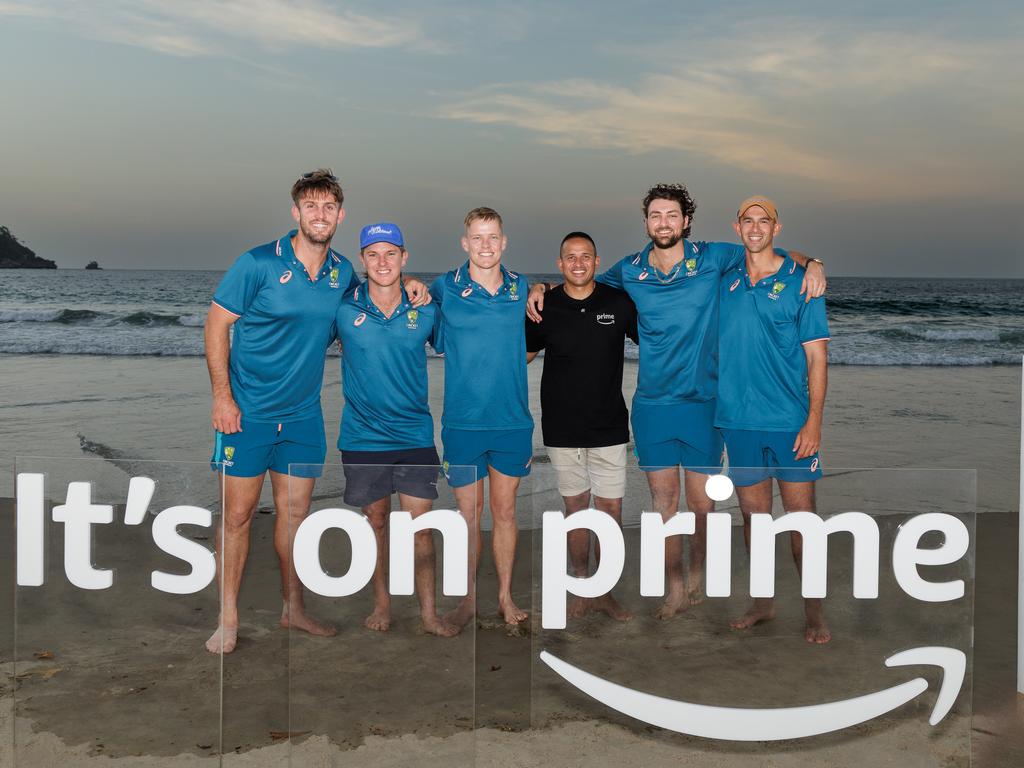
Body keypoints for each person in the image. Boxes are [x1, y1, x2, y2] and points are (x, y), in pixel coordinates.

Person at [528, 184, 825, 620]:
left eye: (671, 215)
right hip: (652, 406)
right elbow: (581, 281)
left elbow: (764, 249)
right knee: (663, 505)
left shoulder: (714, 258)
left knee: (702, 505)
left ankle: (699, 575)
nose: (663, 222)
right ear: (646, 222)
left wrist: (812, 262)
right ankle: (674, 587)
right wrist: (541, 287)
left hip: (704, 403)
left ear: (686, 221)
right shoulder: (629, 270)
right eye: (655, 215)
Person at [203, 170, 427, 653]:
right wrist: (223, 397)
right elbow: (216, 325)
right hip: (246, 414)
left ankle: (293, 609)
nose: (319, 214)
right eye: (311, 206)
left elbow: (375, 293)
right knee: (238, 517)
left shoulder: (342, 272)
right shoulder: (259, 263)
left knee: (294, 520)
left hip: (303, 419)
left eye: (329, 207)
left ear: (340, 216)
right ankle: (227, 619)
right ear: (296, 212)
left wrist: (413, 285)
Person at [716, 197, 831, 643]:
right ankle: (763, 602)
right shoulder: (724, 281)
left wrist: (814, 421)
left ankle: (814, 612)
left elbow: (817, 359)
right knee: (755, 519)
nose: (756, 227)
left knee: (803, 520)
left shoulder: (802, 282)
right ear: (738, 226)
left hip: (790, 423)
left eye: (764, 221)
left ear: (776, 228)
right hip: (739, 423)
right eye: (749, 220)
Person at [334, 222, 457, 638]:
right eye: (373, 254)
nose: (382, 262)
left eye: (391, 254)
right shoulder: (344, 308)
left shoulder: (424, 308)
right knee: (377, 523)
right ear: (363, 261)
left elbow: (461, 342)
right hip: (363, 436)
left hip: (414, 435)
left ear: (405, 259)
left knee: (422, 527)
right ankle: (382, 604)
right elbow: (300, 336)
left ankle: (428, 613)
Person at [525, 231, 636, 621]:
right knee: (575, 509)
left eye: (585, 256)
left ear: (596, 261)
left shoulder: (619, 303)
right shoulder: (545, 306)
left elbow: (661, 343)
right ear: (559, 264)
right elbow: (520, 356)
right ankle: (581, 584)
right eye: (570, 257)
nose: (577, 263)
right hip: (562, 426)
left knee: (609, 510)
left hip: (609, 425)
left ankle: (605, 593)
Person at [430, 207, 533, 628]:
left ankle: (505, 597)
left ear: (504, 242)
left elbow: (536, 336)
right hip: (462, 423)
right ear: (465, 242)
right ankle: (470, 600)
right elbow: (411, 317)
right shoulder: (443, 288)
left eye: (493, 237)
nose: (486, 245)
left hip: (511, 422)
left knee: (505, 512)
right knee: (468, 517)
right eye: (478, 237)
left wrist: (542, 288)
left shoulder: (522, 287)